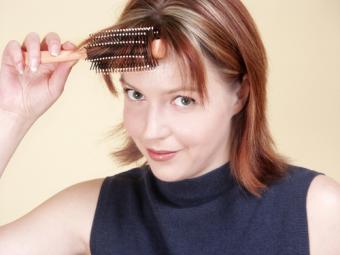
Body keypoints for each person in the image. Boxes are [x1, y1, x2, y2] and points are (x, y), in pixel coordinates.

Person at [0, 0, 340, 254]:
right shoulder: (93, 210)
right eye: (135, 94)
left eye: (183, 100)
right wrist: (12, 113)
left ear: (240, 93)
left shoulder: (318, 210)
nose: (151, 129)